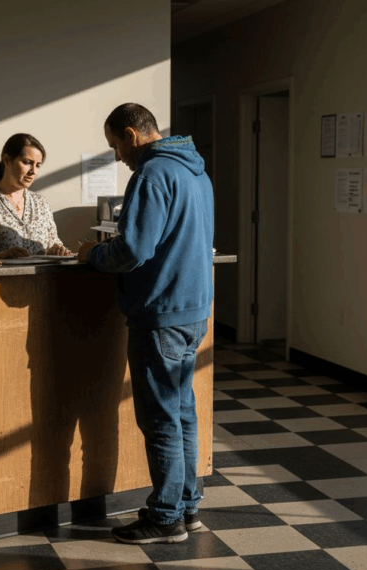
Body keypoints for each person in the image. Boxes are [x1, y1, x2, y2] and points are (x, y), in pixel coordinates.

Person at [77, 103, 214, 544]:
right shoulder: (196, 172)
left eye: (115, 145)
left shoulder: (153, 174)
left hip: (160, 313)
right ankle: (189, 507)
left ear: (133, 135)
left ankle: (165, 517)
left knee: (160, 419)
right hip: (194, 311)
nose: (117, 155)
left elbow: (133, 249)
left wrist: (91, 255)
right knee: (183, 415)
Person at [0, 133, 73, 259]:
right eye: (27, 162)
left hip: (42, 278)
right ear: (7, 161)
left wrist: (58, 251)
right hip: (0, 278)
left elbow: (54, 243)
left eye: (38, 165)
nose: (33, 171)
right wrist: (0, 256)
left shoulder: (41, 203)